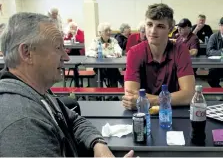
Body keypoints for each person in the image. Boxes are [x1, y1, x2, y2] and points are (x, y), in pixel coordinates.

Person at [0, 12, 134, 157]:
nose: (66, 56)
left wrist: (97, 143)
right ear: (27, 53)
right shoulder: (24, 123)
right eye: (58, 48)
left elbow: (73, 120)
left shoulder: (38, 92)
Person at [122, 3, 195, 110]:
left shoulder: (181, 50)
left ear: (170, 30)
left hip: (172, 113)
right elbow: (130, 97)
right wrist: (172, 98)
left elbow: (189, 95)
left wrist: (151, 100)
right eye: (149, 24)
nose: (153, 31)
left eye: (160, 26)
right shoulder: (134, 53)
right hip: (143, 114)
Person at [86, 22, 123, 87]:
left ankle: (114, 94)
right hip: (100, 66)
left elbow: (118, 49)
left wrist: (118, 53)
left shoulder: (113, 40)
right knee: (113, 73)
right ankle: (111, 91)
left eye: (109, 30)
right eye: (106, 30)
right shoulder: (96, 41)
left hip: (112, 65)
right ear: (100, 33)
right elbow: (88, 52)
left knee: (113, 71)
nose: (109, 32)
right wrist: (95, 54)